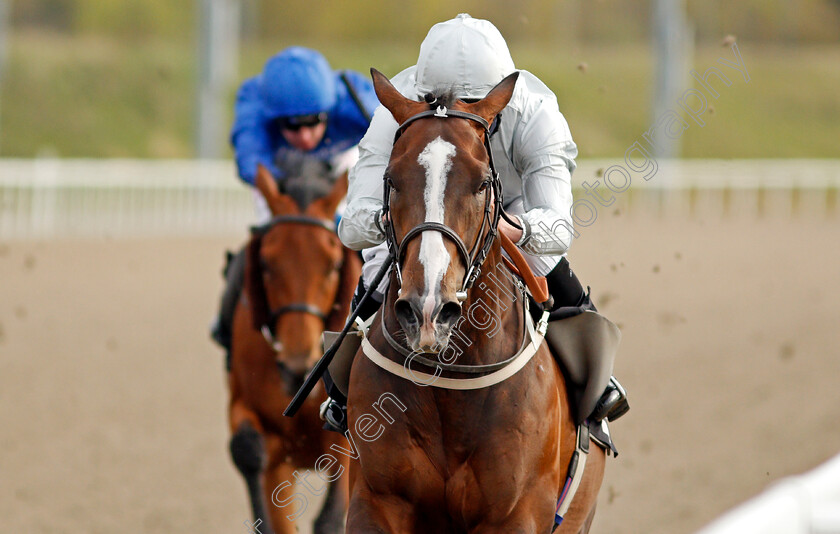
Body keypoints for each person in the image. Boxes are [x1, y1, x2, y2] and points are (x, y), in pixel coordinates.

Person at [321, 14, 628, 436]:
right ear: (423, 96)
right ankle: (342, 390)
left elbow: (558, 227)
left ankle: (594, 380)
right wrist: (395, 218)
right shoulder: (395, 110)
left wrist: (511, 229)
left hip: (508, 205)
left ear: (499, 101)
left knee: (543, 257)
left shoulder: (537, 115)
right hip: (417, 209)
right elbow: (353, 226)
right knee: (376, 265)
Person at [210, 46, 378, 363]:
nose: (304, 136)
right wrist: (291, 209)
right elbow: (250, 161)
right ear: (274, 119)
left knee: (363, 244)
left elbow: (395, 136)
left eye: (314, 122)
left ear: (329, 109)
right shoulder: (254, 102)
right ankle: (225, 325)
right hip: (281, 181)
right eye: (291, 126)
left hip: (342, 169)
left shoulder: (353, 97)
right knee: (261, 246)